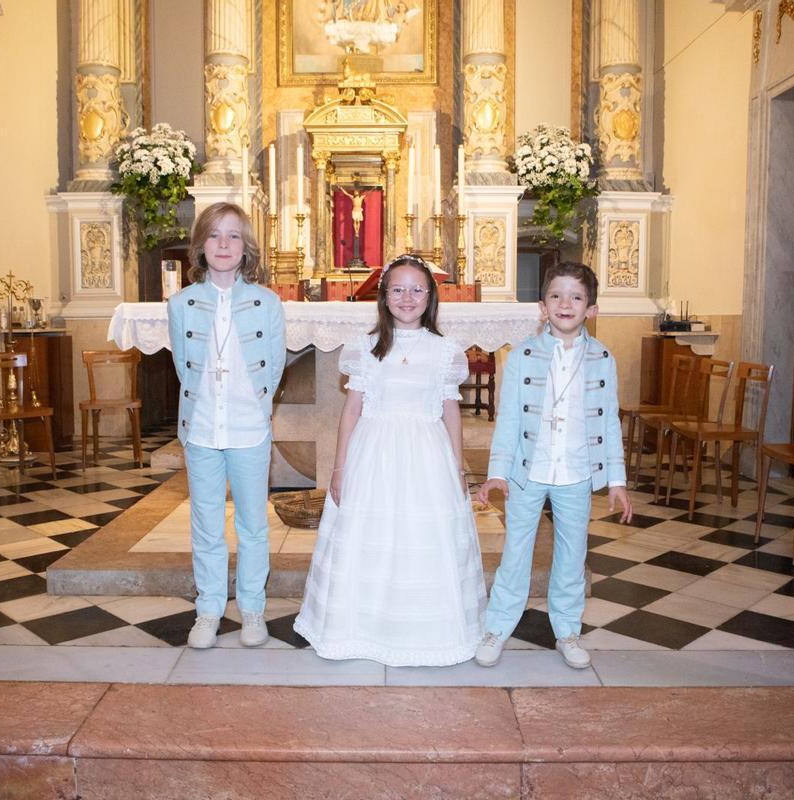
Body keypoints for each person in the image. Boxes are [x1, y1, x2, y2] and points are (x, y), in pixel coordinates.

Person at [294, 254, 487, 666]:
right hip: (374, 453)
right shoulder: (365, 348)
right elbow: (351, 411)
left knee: (423, 540)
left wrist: (457, 466)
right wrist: (340, 467)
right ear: (383, 296)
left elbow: (450, 409)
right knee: (369, 539)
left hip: (427, 455)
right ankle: (360, 630)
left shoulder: (445, 350)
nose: (407, 297)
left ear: (430, 296)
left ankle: (425, 633)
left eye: (417, 289)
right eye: (397, 289)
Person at [474, 262, 632, 670]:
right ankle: (497, 627)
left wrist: (617, 480)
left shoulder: (603, 358)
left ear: (591, 310)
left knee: (571, 554)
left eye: (576, 297)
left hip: (577, 471)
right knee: (516, 553)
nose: (566, 303)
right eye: (556, 296)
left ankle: (567, 630)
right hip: (528, 471)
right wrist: (497, 472)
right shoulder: (524, 354)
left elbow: (610, 420)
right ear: (543, 306)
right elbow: (507, 417)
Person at [167, 202, 285, 649]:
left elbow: (273, 370)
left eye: (233, 236)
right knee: (206, 522)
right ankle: (210, 608)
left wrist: (251, 410)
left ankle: (252, 606)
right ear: (201, 245)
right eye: (214, 235)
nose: (223, 244)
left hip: (249, 427)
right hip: (201, 429)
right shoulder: (181, 305)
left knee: (254, 524)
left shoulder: (266, 303)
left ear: (245, 247)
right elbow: (183, 367)